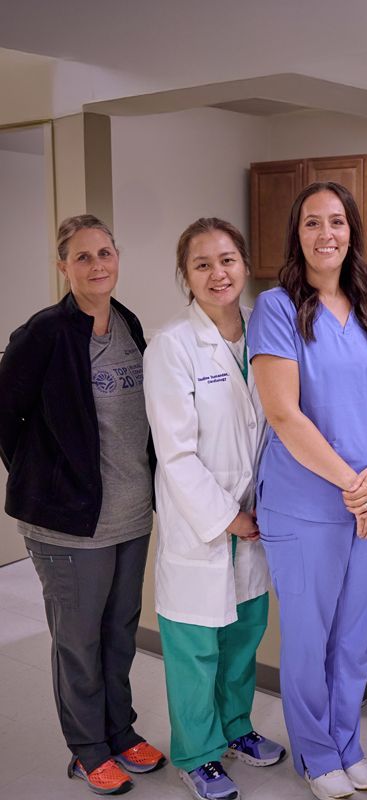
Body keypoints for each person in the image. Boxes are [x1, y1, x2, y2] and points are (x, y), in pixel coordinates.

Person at [248, 181, 367, 800]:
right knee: (310, 637)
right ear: (297, 233)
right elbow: (284, 414)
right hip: (306, 503)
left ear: (352, 231)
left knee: (354, 632)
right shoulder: (278, 308)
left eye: (336, 222)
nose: (326, 235)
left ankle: (347, 742)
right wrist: (352, 483)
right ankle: (315, 753)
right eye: (313, 223)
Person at [0, 215, 166, 795]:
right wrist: (44, 478)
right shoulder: (44, 333)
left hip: (130, 514)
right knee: (79, 640)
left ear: (117, 256)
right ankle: (86, 748)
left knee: (120, 632)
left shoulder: (128, 322)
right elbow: (7, 415)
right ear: (63, 266)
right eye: (83, 256)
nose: (98, 265)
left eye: (105, 253)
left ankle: (120, 733)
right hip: (69, 525)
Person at [143, 218, 285, 800]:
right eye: (202, 265)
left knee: (243, 637)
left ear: (245, 265)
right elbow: (174, 455)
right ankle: (197, 754)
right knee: (195, 648)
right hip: (204, 526)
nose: (217, 273)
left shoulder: (264, 337)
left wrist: (257, 514)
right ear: (186, 277)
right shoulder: (172, 345)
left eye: (226, 260)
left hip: (254, 521)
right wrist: (230, 518)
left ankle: (236, 730)